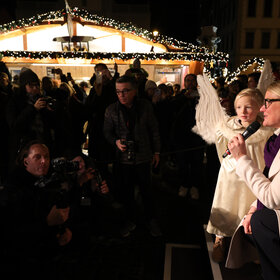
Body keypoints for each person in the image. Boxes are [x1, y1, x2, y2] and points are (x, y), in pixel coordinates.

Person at [193, 74, 274, 263]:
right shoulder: (227, 126)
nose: (243, 111)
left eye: (248, 107)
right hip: (230, 174)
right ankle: (221, 238)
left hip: (254, 174)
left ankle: (251, 245)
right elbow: (221, 148)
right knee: (227, 204)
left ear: (259, 107)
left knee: (249, 207)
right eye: (239, 107)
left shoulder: (266, 131)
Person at [226, 81, 280, 280]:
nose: (263, 108)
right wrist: (253, 209)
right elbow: (270, 179)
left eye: (268, 102)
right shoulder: (275, 140)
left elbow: (273, 197)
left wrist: (241, 158)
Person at [103, 75, 162, 237]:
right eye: (118, 92)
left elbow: (154, 130)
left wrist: (157, 152)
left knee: (147, 192)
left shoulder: (145, 106)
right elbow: (106, 132)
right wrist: (115, 141)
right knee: (126, 193)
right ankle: (130, 221)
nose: (121, 95)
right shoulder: (111, 110)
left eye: (125, 91)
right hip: (122, 159)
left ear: (135, 91)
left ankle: (151, 221)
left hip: (143, 156)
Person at [5, 140, 72, 278]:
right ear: (25, 162)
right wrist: (46, 222)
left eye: (47, 157)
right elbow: (12, 234)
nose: (44, 161)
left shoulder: (48, 183)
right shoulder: (14, 191)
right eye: (38, 157)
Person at [5, 68, 57, 173]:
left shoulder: (42, 100)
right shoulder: (14, 102)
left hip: (43, 145)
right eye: (31, 86)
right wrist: (33, 109)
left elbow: (51, 125)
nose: (35, 88)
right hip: (24, 149)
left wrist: (50, 111)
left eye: (37, 85)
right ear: (24, 86)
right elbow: (15, 126)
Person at [170, 73, 205, 200]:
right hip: (182, 136)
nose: (190, 83)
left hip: (197, 136)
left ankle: (195, 186)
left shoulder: (202, 96)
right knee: (183, 163)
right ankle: (184, 185)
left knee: (196, 163)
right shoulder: (180, 96)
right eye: (188, 80)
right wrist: (184, 98)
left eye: (192, 80)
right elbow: (172, 108)